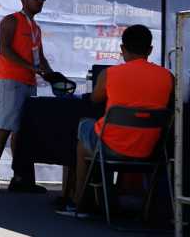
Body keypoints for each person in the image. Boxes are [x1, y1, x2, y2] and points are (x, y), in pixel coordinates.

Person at [56, 25, 174, 217]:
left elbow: (95, 99)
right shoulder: (168, 77)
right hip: (151, 150)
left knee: (84, 127)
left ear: (122, 49)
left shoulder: (109, 74)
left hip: (111, 148)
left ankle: (78, 201)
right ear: (150, 50)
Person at [0, 0, 53, 194]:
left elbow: (40, 58)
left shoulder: (36, 28)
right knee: (5, 126)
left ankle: (20, 177)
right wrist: (31, 67)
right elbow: (4, 51)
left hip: (29, 81)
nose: (40, 0)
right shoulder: (11, 20)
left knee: (22, 132)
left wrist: (53, 76)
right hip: (11, 80)